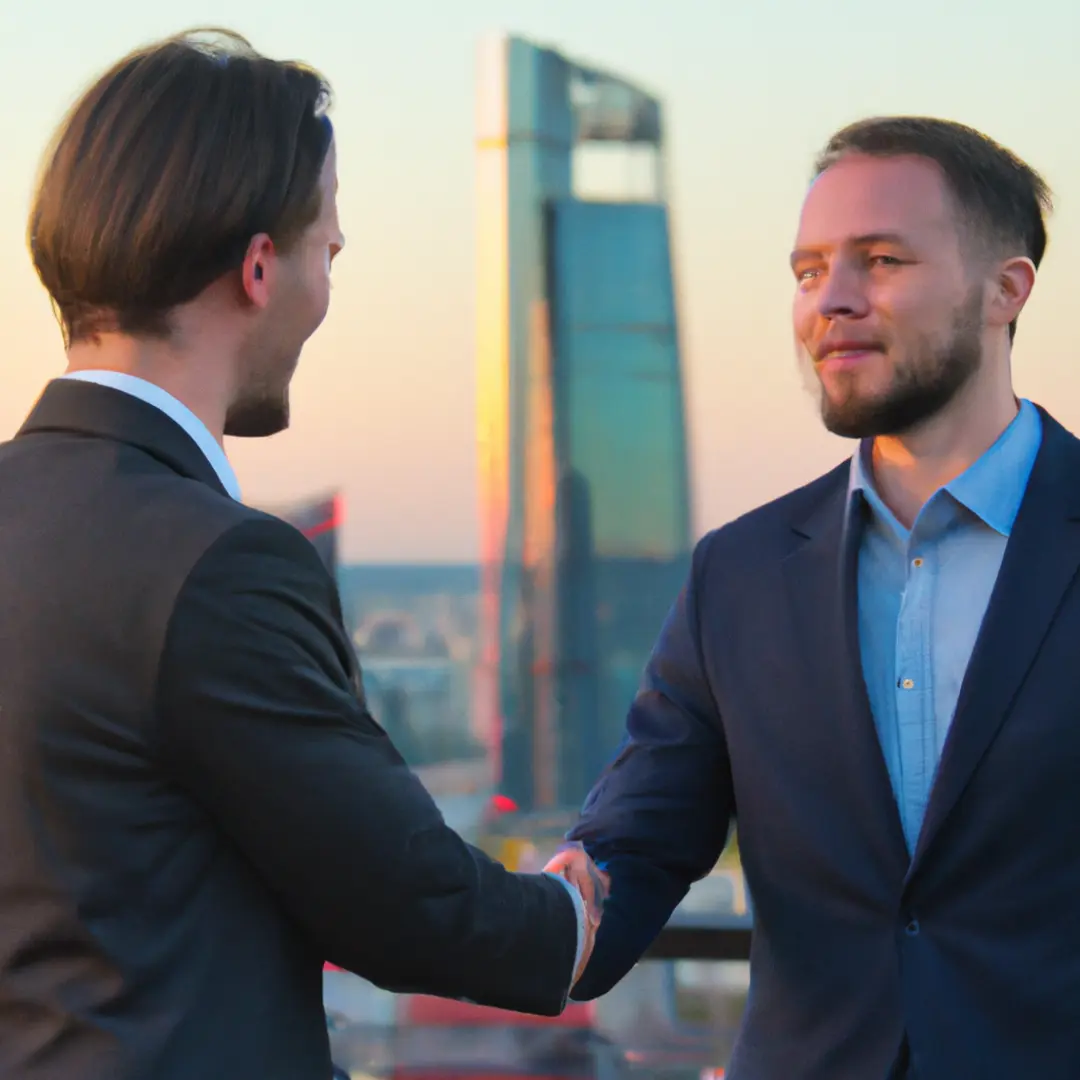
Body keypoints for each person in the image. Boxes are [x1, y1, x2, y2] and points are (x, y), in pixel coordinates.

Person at [0, 30, 603, 1080]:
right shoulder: (218, 562)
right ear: (259, 266)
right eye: (329, 244)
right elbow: (401, 900)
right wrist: (568, 914)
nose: (331, 276)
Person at [548, 117, 1078, 1078]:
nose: (830, 301)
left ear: (1008, 289)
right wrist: (550, 907)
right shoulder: (740, 574)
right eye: (806, 271)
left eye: (880, 261)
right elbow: (640, 839)